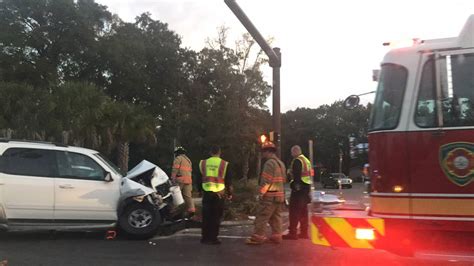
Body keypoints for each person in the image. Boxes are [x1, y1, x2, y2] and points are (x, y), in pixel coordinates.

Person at [246, 141, 286, 245]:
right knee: (276, 217)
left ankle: (257, 237)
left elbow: (266, 181)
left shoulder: (269, 163)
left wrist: (261, 194)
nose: (262, 154)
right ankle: (276, 236)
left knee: (262, 216)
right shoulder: (280, 163)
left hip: (270, 196)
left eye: (263, 152)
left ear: (268, 152)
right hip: (279, 195)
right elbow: (283, 180)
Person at [198, 146, 232, 245]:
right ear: (219, 152)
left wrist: (200, 190)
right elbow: (228, 180)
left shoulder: (203, 163)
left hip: (207, 192)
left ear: (210, 152)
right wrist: (229, 193)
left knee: (206, 216)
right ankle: (213, 238)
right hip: (219, 194)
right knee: (216, 216)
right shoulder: (224, 164)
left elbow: (199, 178)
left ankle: (205, 238)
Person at [283, 145, 312, 240]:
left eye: (292, 152)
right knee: (304, 211)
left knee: (294, 211)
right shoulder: (306, 160)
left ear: (295, 151)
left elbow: (296, 175)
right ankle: (304, 233)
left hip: (298, 189)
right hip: (306, 187)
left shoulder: (297, 161)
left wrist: (295, 187)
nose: (291, 154)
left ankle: (293, 233)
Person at [171, 146, 195, 218]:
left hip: (180, 180)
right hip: (188, 181)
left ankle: (174, 212)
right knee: (188, 197)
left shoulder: (178, 159)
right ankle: (191, 211)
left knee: (176, 196)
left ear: (177, 153)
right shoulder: (188, 160)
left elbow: (175, 169)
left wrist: (173, 178)